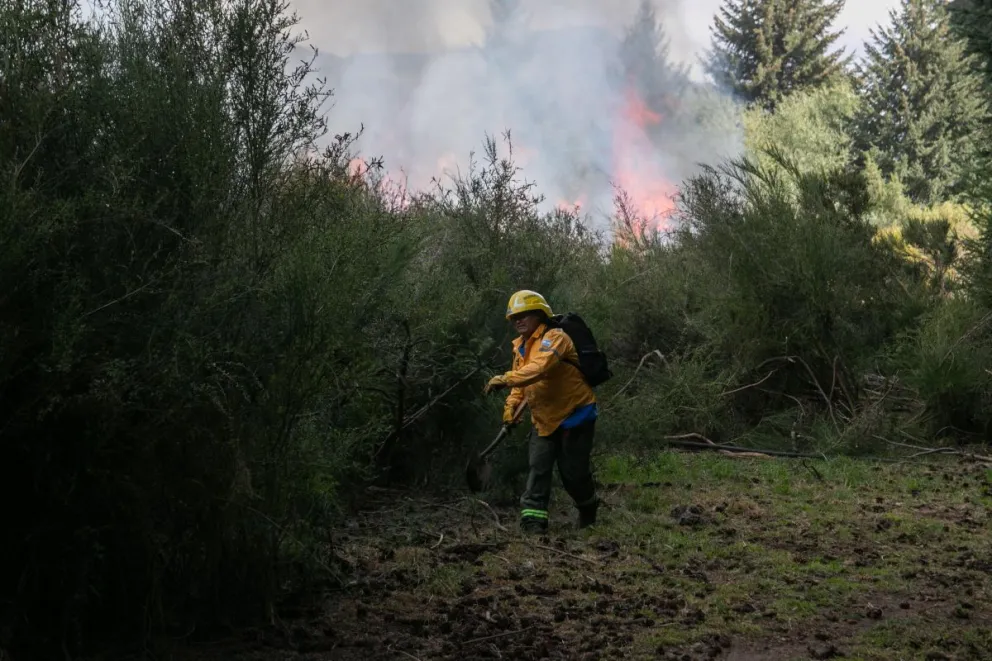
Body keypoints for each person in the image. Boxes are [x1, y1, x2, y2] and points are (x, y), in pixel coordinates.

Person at [483, 289, 600, 533]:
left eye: (524, 315)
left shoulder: (556, 337)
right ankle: (533, 524)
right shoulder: (520, 347)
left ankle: (588, 509)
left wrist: (505, 379)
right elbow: (521, 385)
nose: (518, 321)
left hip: (575, 415)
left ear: (539, 314)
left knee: (573, 475)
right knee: (538, 468)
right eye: (514, 317)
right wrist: (511, 407)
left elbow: (540, 368)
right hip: (543, 420)